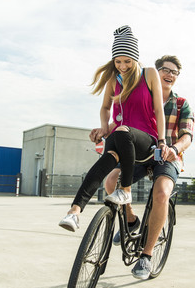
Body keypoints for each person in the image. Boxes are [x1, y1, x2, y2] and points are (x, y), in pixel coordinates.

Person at [90, 55, 194, 280]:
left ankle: (146, 256)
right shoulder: (140, 91)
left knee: (162, 193)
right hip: (141, 153)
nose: (169, 75)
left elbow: (187, 135)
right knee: (111, 181)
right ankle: (130, 218)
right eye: (165, 70)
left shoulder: (180, 104)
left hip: (167, 156)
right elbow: (120, 121)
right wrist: (103, 130)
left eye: (174, 72)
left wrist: (174, 149)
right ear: (154, 74)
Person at [59, 25, 169, 232]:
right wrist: (103, 128)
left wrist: (161, 141)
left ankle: (125, 190)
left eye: (127, 61)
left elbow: (158, 110)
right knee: (103, 164)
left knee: (122, 131)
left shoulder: (149, 74)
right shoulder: (114, 79)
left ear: (135, 58)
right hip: (121, 137)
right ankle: (74, 212)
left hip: (145, 140)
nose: (122, 66)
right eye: (118, 62)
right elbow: (105, 107)